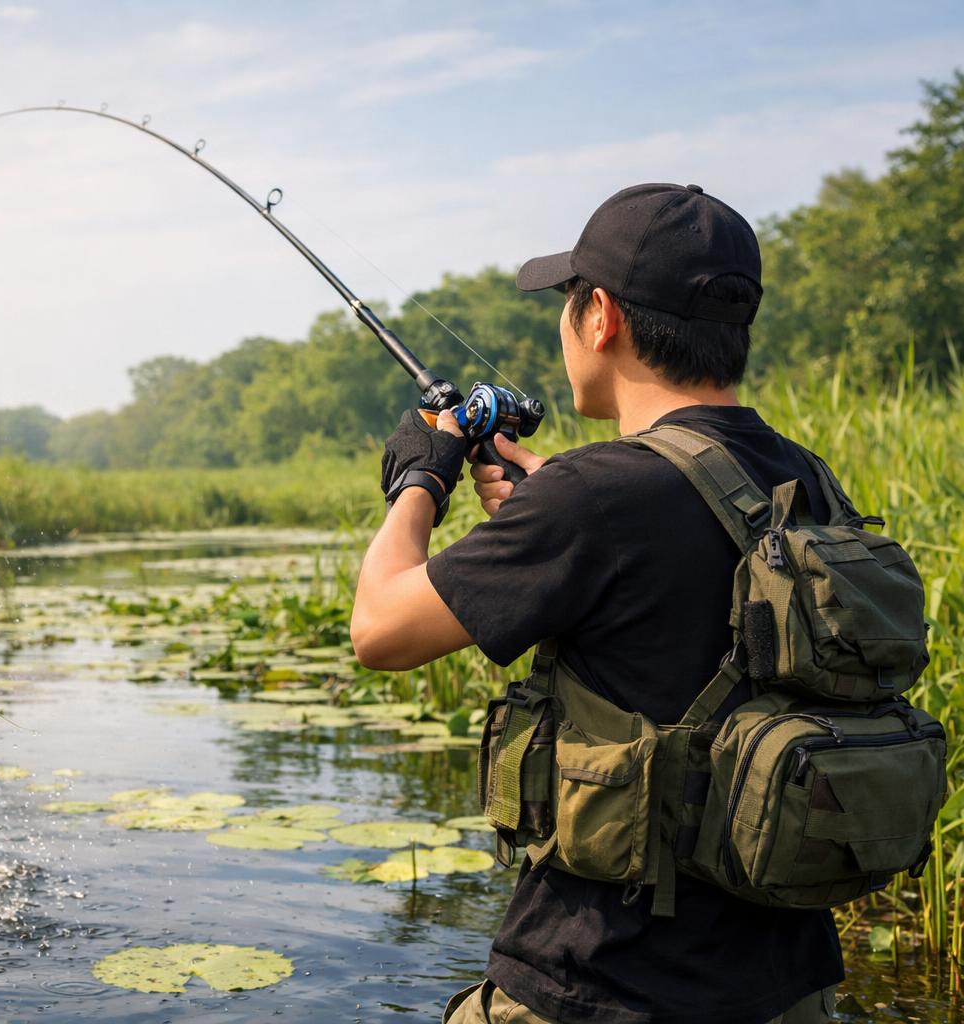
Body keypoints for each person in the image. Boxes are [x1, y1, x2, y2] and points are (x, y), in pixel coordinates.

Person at [350, 184, 843, 1024]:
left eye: (567, 302)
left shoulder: (593, 501)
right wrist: (554, 500)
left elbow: (380, 630)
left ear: (602, 316)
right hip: (788, 986)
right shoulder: (809, 479)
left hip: (604, 985)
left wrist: (421, 477)